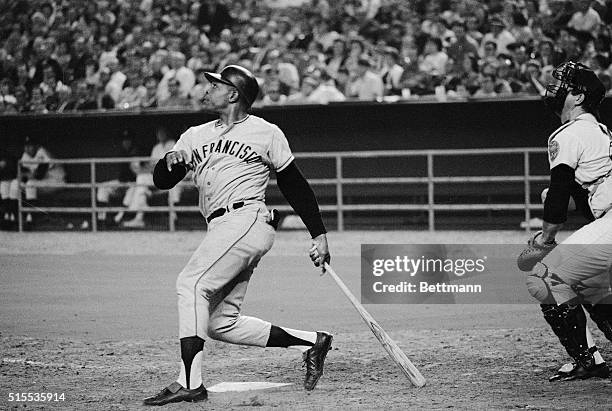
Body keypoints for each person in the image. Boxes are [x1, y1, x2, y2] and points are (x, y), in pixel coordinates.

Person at [143, 65, 332, 406]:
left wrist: (318, 234)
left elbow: (294, 184)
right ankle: (313, 342)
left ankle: (189, 382)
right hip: (220, 228)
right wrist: (171, 159)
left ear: (233, 94)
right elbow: (161, 181)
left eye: (215, 84)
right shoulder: (194, 135)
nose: (208, 88)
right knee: (219, 323)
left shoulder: (265, 131)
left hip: (246, 218)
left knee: (192, 284)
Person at [520, 61, 612, 381]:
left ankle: (586, 360)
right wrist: (562, 197)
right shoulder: (599, 131)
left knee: (544, 278)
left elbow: (559, 191)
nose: (556, 89)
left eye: (563, 85)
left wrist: (546, 238)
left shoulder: (569, 132)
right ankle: (593, 358)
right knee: (589, 283)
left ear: (579, 96)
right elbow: (588, 204)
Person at [121, 126, 182, 228]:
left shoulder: (173, 144)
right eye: (158, 133)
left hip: (171, 177)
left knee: (174, 185)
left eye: (162, 132)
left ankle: (173, 217)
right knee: (141, 179)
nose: (160, 135)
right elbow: (152, 164)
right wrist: (143, 169)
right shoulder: (156, 147)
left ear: (167, 133)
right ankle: (139, 217)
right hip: (158, 176)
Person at [20, 136, 66, 225]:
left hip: (56, 181)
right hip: (44, 181)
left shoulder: (42, 153)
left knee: (30, 184)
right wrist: (26, 176)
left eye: (30, 146)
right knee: (17, 185)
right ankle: (14, 217)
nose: (27, 148)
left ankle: (31, 217)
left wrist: (27, 176)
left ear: (36, 146)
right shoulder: (25, 155)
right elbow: (23, 174)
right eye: (25, 146)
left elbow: (39, 175)